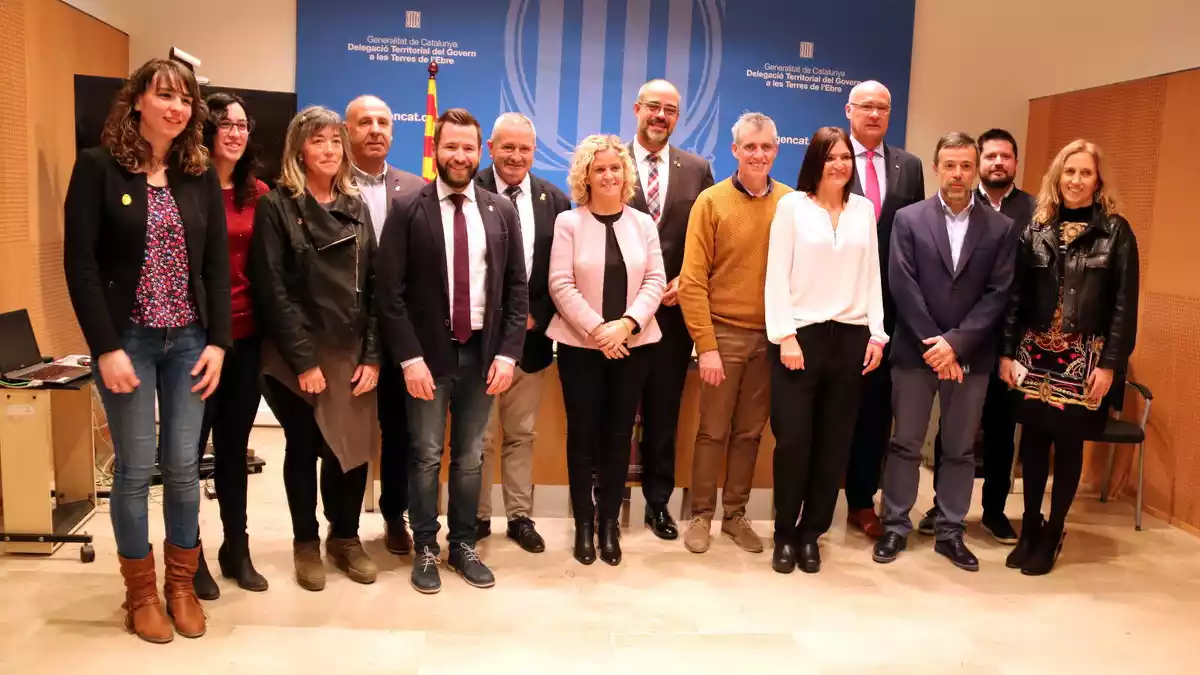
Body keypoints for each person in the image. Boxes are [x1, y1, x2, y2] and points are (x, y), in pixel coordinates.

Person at [63, 58, 229, 643]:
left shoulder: (198, 172)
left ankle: (180, 586)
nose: (177, 108)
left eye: (186, 99)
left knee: (184, 470)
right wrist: (104, 347)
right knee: (135, 470)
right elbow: (80, 266)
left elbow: (214, 267)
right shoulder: (97, 169)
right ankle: (140, 595)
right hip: (127, 340)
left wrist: (218, 343)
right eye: (165, 95)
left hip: (188, 340)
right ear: (137, 101)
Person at [375, 108, 528, 594]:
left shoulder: (498, 210)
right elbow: (389, 293)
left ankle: (461, 545)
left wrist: (507, 354)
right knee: (423, 454)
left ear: (478, 152)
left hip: (482, 357)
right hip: (426, 359)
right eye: (451, 147)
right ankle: (425, 545)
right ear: (435, 150)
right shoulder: (408, 209)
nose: (459, 156)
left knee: (468, 456)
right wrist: (409, 359)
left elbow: (516, 288)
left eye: (468, 148)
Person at [250, 106, 381, 592]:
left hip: (352, 353)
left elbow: (375, 284)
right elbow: (273, 290)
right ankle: (306, 541)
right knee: (305, 448)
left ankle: (344, 538)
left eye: (334, 142)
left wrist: (372, 355)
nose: (329, 150)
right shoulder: (277, 205)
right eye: (318, 141)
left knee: (351, 450)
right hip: (294, 355)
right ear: (299, 150)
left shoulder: (356, 203)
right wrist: (304, 361)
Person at [873, 132, 1016, 572]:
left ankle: (951, 532)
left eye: (966, 166)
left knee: (959, 449)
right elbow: (902, 284)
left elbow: (999, 293)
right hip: (916, 353)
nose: (958, 174)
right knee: (904, 443)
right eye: (950, 165)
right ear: (936, 168)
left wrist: (955, 344)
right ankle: (895, 524)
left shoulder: (1002, 228)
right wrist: (934, 343)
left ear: (975, 170)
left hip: (969, 357)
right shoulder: (909, 219)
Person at [999, 139, 1139, 576]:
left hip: (1085, 356)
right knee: (1035, 442)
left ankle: (1055, 529)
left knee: (1068, 441)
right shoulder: (1035, 227)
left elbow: (1123, 305)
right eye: (1069, 172)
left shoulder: (1115, 231)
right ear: (1056, 178)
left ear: (1098, 181)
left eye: (1085, 173)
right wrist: (1006, 352)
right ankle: (1031, 528)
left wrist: (1111, 364)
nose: (1076, 180)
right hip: (1034, 352)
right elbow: (1014, 297)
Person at [765, 126, 887, 574]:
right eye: (830, 157)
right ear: (815, 162)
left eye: (845, 158)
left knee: (834, 446)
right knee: (794, 442)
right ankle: (783, 533)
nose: (839, 164)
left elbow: (871, 274)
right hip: (801, 338)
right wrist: (786, 335)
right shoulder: (791, 208)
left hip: (851, 338)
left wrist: (877, 333)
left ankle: (811, 533)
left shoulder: (863, 210)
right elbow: (776, 275)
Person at [547, 134, 666, 566]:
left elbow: (655, 279)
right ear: (586, 176)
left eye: (616, 168)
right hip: (582, 348)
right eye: (600, 168)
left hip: (634, 346)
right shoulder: (569, 223)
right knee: (582, 438)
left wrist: (627, 325)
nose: (609, 175)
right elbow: (560, 283)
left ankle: (608, 526)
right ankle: (583, 524)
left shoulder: (643, 223)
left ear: (626, 173)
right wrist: (600, 330)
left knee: (618, 439)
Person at [677, 112, 792, 556]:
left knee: (750, 433)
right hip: (722, 337)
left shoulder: (790, 203)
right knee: (713, 431)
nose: (758, 154)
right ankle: (702, 515)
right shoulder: (710, 201)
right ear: (735, 152)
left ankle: (736, 514)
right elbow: (692, 280)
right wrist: (705, 345)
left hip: (772, 338)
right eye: (750, 147)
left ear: (776, 150)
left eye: (766, 147)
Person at [922, 128, 1036, 544]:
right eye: (990, 157)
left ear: (1015, 164)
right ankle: (941, 505)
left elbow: (1017, 285)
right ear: (976, 165)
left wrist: (1011, 348)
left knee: (1001, 428)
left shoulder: (1033, 210)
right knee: (953, 428)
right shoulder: (956, 205)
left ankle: (993, 510)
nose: (997, 163)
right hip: (957, 340)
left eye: (1006, 157)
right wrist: (953, 340)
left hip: (1006, 339)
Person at [473, 113, 572, 552]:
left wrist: (535, 314)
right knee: (480, 437)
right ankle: (474, 517)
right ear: (490, 148)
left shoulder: (555, 201)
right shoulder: (465, 190)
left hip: (531, 343)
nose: (516, 156)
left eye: (525, 149)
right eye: (507, 147)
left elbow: (562, 272)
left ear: (535, 152)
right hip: (476, 343)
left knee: (521, 434)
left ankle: (518, 516)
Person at [835, 80, 926, 540]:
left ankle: (860, 500)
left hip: (887, 308)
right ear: (849, 109)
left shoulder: (908, 166)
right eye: (866, 106)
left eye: (882, 108)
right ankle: (816, 495)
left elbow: (916, 239)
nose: (874, 114)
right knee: (830, 403)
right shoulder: (831, 156)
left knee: (873, 410)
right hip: (833, 302)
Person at [189, 92, 271, 600]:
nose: (236, 133)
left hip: (247, 337)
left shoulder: (257, 193)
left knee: (234, 449)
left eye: (242, 124)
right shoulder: (186, 189)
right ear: (206, 131)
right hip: (195, 342)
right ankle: (189, 549)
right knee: (189, 451)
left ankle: (235, 547)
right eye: (225, 124)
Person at [626, 79, 715, 540]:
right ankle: (606, 501)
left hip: (674, 316)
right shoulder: (609, 161)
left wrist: (688, 279)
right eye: (654, 107)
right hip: (618, 316)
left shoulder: (697, 169)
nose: (662, 116)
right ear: (637, 109)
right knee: (616, 412)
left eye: (671, 110)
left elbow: (711, 235)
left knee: (665, 413)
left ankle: (657, 503)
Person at [343, 94, 423, 557]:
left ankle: (395, 515)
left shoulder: (413, 188)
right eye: (365, 122)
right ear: (347, 131)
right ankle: (344, 527)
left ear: (393, 132)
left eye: (383, 122)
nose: (375, 129)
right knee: (346, 434)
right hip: (345, 333)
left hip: (398, 333)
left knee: (400, 433)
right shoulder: (328, 186)